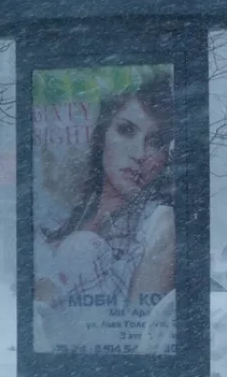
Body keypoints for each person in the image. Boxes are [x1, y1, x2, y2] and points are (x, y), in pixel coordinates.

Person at [34, 75, 176, 353]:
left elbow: (143, 342)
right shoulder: (55, 220)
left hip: (93, 371)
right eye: (126, 130)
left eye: (155, 141)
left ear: (167, 156)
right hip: (65, 372)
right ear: (102, 136)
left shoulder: (159, 225)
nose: (139, 153)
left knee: (81, 247)